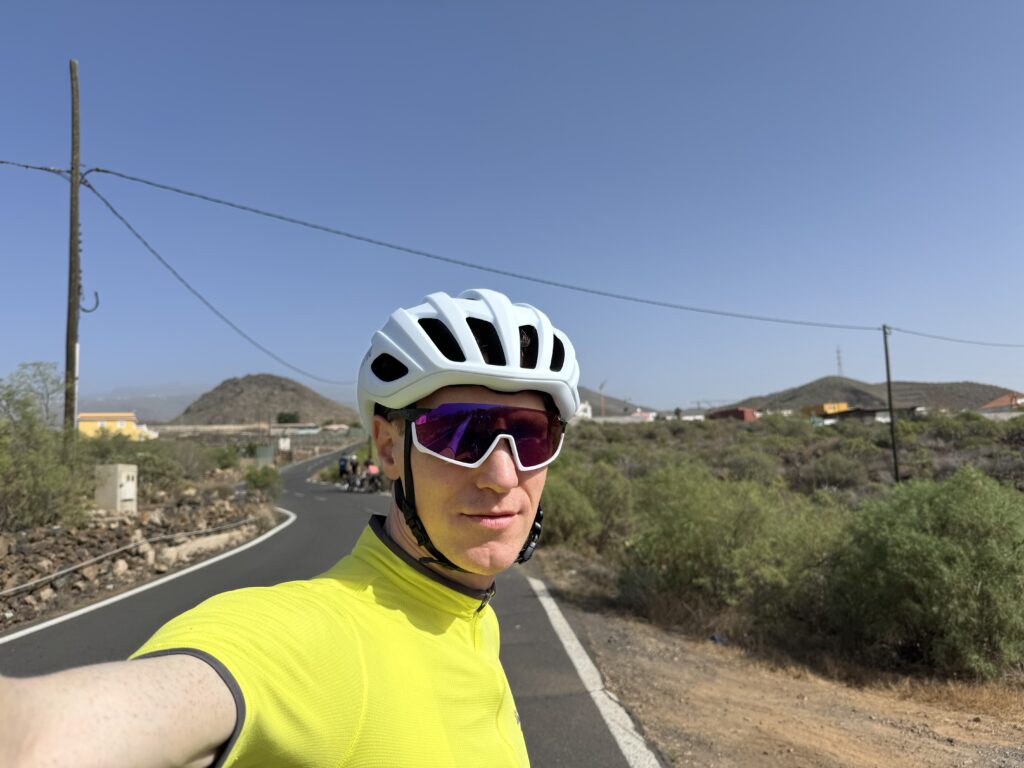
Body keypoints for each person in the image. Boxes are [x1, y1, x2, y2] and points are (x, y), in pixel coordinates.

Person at [0, 288, 579, 767]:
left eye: (531, 437)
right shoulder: (320, 637)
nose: (503, 475)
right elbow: (52, 737)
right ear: (388, 447)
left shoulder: (470, 615)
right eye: (460, 434)